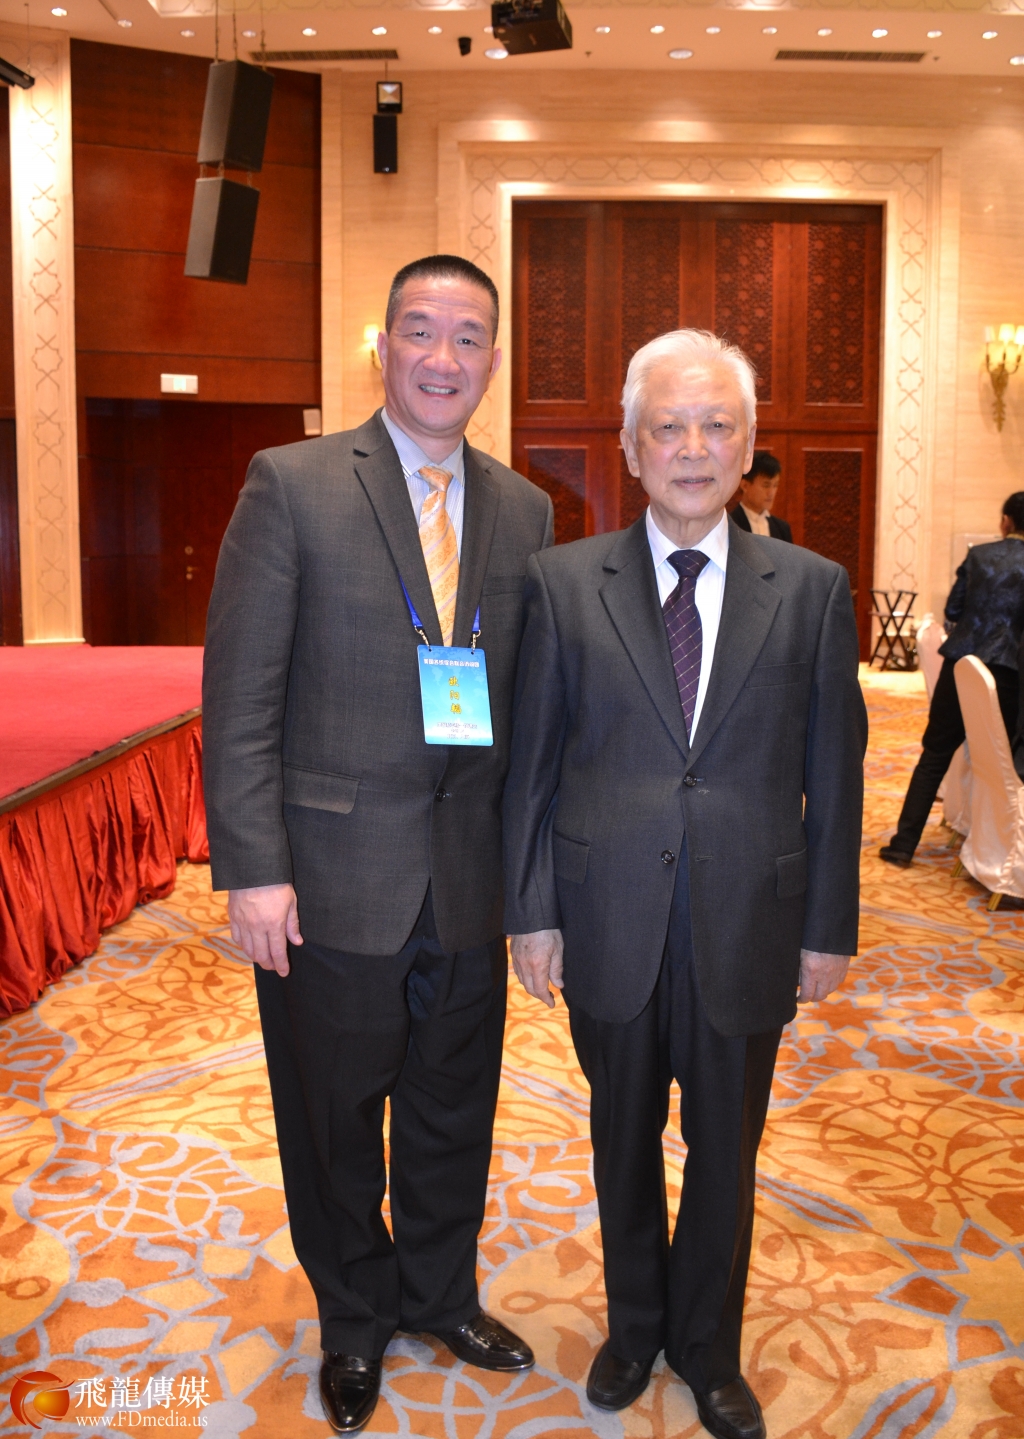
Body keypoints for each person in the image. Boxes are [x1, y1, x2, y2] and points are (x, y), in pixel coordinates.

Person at [202, 254, 553, 1435]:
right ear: (384, 345)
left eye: (468, 336)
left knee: (455, 1105)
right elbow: (240, 697)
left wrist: (533, 886)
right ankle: (353, 1313)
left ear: (491, 359)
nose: (443, 357)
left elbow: (527, 710)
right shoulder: (293, 482)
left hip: (467, 880)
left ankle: (440, 1292)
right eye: (421, 330)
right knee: (334, 1114)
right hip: (329, 877)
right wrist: (254, 867)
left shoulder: (524, 509)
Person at [503, 329, 866, 1439]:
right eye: (669, 426)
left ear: (749, 446)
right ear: (630, 446)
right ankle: (633, 1328)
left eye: (717, 426)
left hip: (747, 922)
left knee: (725, 1151)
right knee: (619, 1139)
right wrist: (532, 910)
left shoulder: (812, 589)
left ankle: (707, 1347)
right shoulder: (564, 583)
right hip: (605, 916)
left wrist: (828, 926)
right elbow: (533, 764)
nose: (693, 448)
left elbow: (834, 772)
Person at [880, 493, 1024, 868]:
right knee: (1004, 764)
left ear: (1006, 521)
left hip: (961, 667)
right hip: (1009, 675)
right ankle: (995, 853)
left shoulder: (979, 556)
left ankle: (902, 845)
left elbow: (953, 609)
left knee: (935, 754)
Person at [728, 451, 792, 542]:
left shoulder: (782, 529)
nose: (771, 492)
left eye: (775, 485)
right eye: (766, 485)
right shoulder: (730, 524)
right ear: (745, 485)